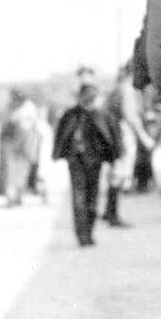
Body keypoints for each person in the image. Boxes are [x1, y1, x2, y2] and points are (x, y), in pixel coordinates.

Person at [52, 81, 117, 247]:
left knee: (92, 198)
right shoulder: (71, 114)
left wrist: (112, 158)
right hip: (76, 161)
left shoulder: (100, 114)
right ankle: (82, 234)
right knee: (79, 198)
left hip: (95, 162)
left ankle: (89, 231)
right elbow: (61, 134)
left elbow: (111, 137)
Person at [102, 61, 157, 227]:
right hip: (123, 135)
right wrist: (144, 137)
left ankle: (108, 212)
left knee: (115, 173)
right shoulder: (128, 89)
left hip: (114, 135)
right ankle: (113, 216)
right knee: (119, 175)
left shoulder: (118, 88)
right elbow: (130, 115)